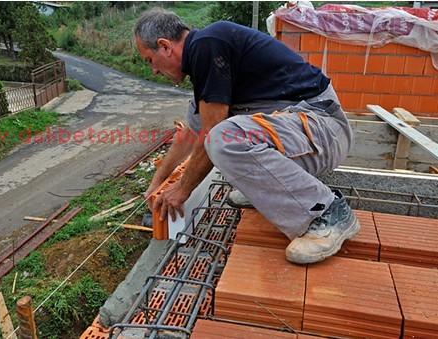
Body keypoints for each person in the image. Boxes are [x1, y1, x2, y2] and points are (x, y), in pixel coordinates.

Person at [135, 8, 360, 264]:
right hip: (308, 133)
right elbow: (190, 134)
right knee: (220, 135)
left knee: (221, 138)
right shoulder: (205, 58)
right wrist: (157, 184)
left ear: (164, 46)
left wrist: (182, 190)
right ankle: (268, 190)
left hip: (324, 129)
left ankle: (328, 212)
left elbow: (210, 133)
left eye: (149, 60)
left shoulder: (208, 45)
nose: (152, 71)